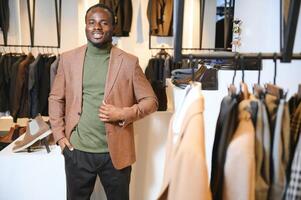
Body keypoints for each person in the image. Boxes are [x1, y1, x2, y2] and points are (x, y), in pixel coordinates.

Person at [48, 3, 158, 200]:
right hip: (77, 151)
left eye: (103, 23)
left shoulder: (129, 62)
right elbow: (56, 98)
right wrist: (60, 137)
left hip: (115, 153)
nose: (97, 27)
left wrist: (124, 113)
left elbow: (151, 101)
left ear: (113, 27)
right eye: (92, 22)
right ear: (86, 26)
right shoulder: (68, 59)